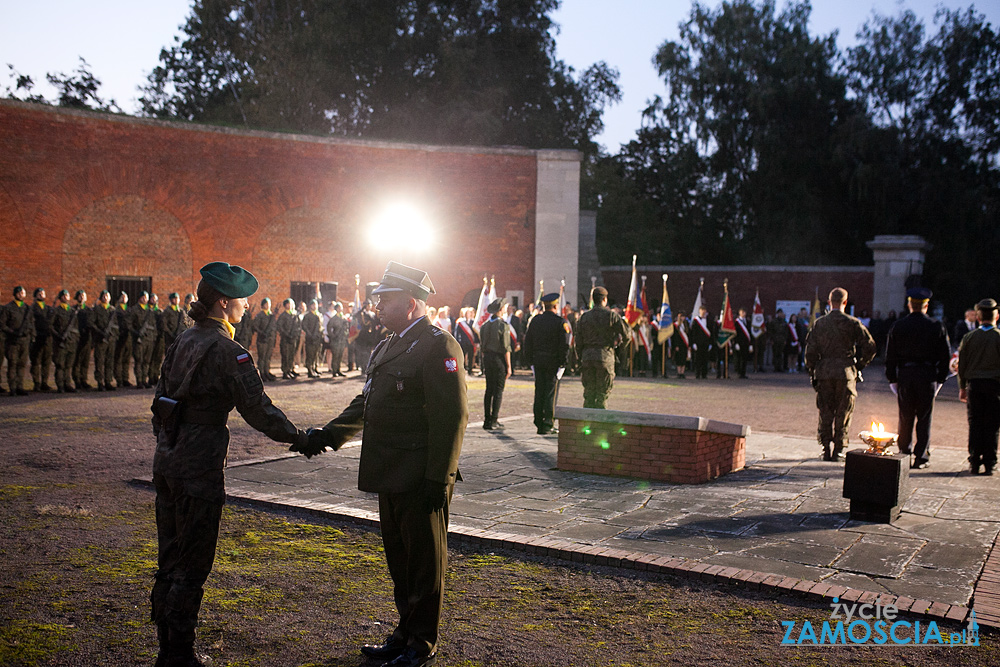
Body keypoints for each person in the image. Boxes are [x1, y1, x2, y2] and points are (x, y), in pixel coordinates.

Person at [304, 261, 467, 667]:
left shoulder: (438, 345)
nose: (376, 306)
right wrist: (329, 435)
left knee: (425, 563)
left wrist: (440, 476)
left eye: (385, 300)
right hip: (389, 469)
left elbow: (453, 417)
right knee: (399, 558)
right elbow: (368, 402)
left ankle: (422, 643)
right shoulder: (388, 344)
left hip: (420, 474)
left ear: (410, 304)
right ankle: (404, 631)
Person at [150, 262, 309, 667]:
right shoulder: (228, 350)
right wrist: (300, 438)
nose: (246, 306)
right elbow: (257, 408)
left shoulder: (182, 340)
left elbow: (159, 402)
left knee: (169, 557)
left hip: (167, 459)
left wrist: (170, 442)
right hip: (200, 464)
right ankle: (180, 657)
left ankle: (166, 650)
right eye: (242, 300)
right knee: (193, 560)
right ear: (224, 303)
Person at [804, 288, 877, 461]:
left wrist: (813, 371)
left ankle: (825, 447)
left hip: (825, 372)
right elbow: (870, 347)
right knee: (843, 412)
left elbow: (810, 352)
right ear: (845, 302)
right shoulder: (852, 323)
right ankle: (839, 449)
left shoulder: (820, 323)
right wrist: (859, 365)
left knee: (825, 411)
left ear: (829, 302)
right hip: (846, 372)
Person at [884, 287, 952, 469]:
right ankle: (921, 456)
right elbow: (945, 355)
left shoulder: (898, 326)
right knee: (924, 417)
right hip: (927, 375)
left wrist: (892, 378)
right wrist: (940, 378)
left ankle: (904, 453)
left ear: (909, 304)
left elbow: (890, 356)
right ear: (926, 305)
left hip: (906, 375)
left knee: (905, 417)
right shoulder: (936, 326)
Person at [958, 298, 1000, 475]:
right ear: (996, 316)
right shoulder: (998, 337)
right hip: (995, 386)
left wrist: (962, 386)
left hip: (974, 385)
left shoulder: (969, 337)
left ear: (978, 317)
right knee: (992, 425)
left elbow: (962, 364)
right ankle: (990, 462)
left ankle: (974, 461)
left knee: (975, 423)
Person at [521, 292, 570, 435]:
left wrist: (530, 361)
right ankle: (548, 423)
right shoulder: (560, 322)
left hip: (538, 361)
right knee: (550, 393)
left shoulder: (535, 320)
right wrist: (563, 363)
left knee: (539, 391)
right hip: (553, 362)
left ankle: (538, 422)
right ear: (555, 306)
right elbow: (564, 345)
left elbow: (528, 342)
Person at [574, 286, 630, 409]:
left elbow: (577, 342)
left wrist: (580, 357)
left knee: (588, 395)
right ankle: (599, 426)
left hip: (587, 357)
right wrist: (619, 349)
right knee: (602, 395)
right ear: (604, 299)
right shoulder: (612, 316)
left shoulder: (584, 317)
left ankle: (586, 424)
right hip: (605, 356)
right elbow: (627, 335)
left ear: (593, 300)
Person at [479, 298, 512, 430]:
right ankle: (494, 420)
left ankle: (487, 420)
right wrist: (509, 366)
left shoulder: (485, 325)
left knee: (489, 390)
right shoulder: (502, 325)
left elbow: (482, 345)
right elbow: (506, 347)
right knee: (498, 390)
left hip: (487, 358)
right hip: (498, 359)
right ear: (500, 310)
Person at [3, 286, 35, 395]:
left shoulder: (27, 308)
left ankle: (20, 386)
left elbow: (31, 323)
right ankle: (12, 387)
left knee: (22, 364)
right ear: (15, 294)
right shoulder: (8, 308)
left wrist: (31, 336)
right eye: (19, 293)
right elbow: (2, 324)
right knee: (13, 363)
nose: (21, 294)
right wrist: (12, 332)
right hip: (13, 341)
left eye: (23, 293)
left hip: (24, 340)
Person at [50, 289, 80, 393]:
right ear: (60, 298)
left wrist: (75, 339)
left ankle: (68, 384)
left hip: (71, 342)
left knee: (68, 365)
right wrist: (58, 336)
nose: (66, 297)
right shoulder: (56, 311)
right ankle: (60, 385)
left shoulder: (72, 311)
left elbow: (76, 328)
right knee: (60, 365)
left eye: (67, 295)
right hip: (60, 342)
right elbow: (50, 326)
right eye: (64, 296)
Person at [129, 291, 158, 388]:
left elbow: (153, 325)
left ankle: (144, 380)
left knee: (147, 361)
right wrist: (136, 333)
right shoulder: (134, 310)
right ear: (140, 298)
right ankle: (139, 381)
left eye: (146, 297)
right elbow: (129, 325)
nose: (145, 299)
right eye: (144, 297)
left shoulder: (149, 311)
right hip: (139, 340)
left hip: (149, 339)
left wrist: (153, 337)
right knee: (139, 360)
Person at [91, 290, 117, 391]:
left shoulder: (112, 310)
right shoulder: (97, 309)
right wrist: (100, 332)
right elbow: (92, 323)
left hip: (110, 339)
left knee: (109, 361)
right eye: (104, 296)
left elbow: (116, 325)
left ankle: (108, 381)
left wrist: (113, 334)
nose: (106, 298)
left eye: (107, 296)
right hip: (100, 339)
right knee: (100, 361)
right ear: (101, 297)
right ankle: (100, 382)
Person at [30, 287, 54, 391]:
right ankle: (36, 383)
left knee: (46, 361)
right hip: (37, 336)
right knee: (36, 361)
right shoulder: (32, 308)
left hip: (47, 337)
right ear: (35, 296)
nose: (41, 295)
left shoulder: (49, 308)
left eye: (43, 293)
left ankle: (44, 382)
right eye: (39, 293)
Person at [252, 298, 278, 381]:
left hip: (270, 339)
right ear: (262, 305)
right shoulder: (260, 315)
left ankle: (267, 371)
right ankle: (262, 373)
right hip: (262, 339)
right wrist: (261, 333)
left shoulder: (271, 315)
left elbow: (274, 327)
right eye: (266, 304)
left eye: (269, 303)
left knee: (268, 356)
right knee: (262, 357)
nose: (268, 305)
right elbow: (255, 326)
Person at [72, 290, 92, 390]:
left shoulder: (89, 310)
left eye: (83, 295)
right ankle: (77, 380)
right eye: (80, 296)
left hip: (87, 338)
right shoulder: (73, 309)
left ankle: (84, 379)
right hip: (77, 337)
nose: (81, 297)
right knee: (77, 360)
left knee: (85, 360)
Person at [689, 305, 714, 379]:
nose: (703, 312)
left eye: (704, 310)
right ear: (699, 311)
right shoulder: (696, 321)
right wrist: (693, 343)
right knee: (697, 360)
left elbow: (711, 332)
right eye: (702, 310)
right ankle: (697, 374)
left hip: (706, 343)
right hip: (698, 343)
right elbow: (693, 333)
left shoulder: (709, 320)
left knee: (705, 360)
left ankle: (704, 374)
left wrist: (710, 343)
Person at [277, 298, 299, 379]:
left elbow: (298, 326)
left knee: (291, 355)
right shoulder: (283, 316)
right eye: (289, 304)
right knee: (285, 355)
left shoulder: (294, 315)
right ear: (285, 305)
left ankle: (290, 369)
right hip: (285, 339)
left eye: (291, 304)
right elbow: (279, 327)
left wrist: (294, 334)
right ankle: (285, 371)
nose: (290, 306)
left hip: (293, 338)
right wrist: (286, 334)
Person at [301, 299, 324, 378]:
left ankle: (314, 368)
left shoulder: (319, 315)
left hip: (317, 338)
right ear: (310, 306)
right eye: (313, 305)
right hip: (310, 338)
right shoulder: (307, 316)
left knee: (316, 354)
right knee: (310, 354)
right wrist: (310, 334)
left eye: (316, 305)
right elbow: (304, 326)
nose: (315, 306)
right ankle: (310, 370)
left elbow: (321, 326)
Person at [326, 302, 349, 377]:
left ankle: (338, 370)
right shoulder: (334, 318)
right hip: (336, 340)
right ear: (336, 309)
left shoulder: (344, 318)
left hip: (342, 339)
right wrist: (332, 336)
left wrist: (346, 335)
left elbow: (347, 327)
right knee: (335, 355)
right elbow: (329, 328)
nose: (340, 309)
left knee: (340, 355)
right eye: (338, 308)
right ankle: (334, 370)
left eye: (341, 307)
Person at [453, 307, 479, 375]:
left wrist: (476, 342)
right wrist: (458, 341)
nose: (467, 314)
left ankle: (470, 370)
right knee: (462, 356)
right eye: (466, 313)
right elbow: (456, 333)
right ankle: (463, 369)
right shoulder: (460, 322)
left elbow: (475, 333)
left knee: (471, 356)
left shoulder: (473, 322)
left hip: (471, 342)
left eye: (469, 313)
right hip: (463, 342)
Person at [733, 308, 753, 379]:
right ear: (740, 313)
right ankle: (739, 372)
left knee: (744, 358)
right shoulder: (736, 322)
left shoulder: (747, 322)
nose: (744, 313)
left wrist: (751, 344)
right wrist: (736, 342)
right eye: (742, 312)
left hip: (746, 343)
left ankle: (743, 373)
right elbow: (735, 333)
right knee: (739, 358)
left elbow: (750, 333)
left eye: (745, 312)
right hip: (739, 342)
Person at [671, 311, 690, 378]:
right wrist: (676, 345)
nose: (683, 318)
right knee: (679, 359)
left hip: (685, 344)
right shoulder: (675, 325)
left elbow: (688, 334)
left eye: (684, 317)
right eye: (681, 317)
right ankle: (679, 372)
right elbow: (675, 336)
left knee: (684, 358)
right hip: (678, 344)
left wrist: (689, 345)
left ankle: (682, 372)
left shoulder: (686, 324)